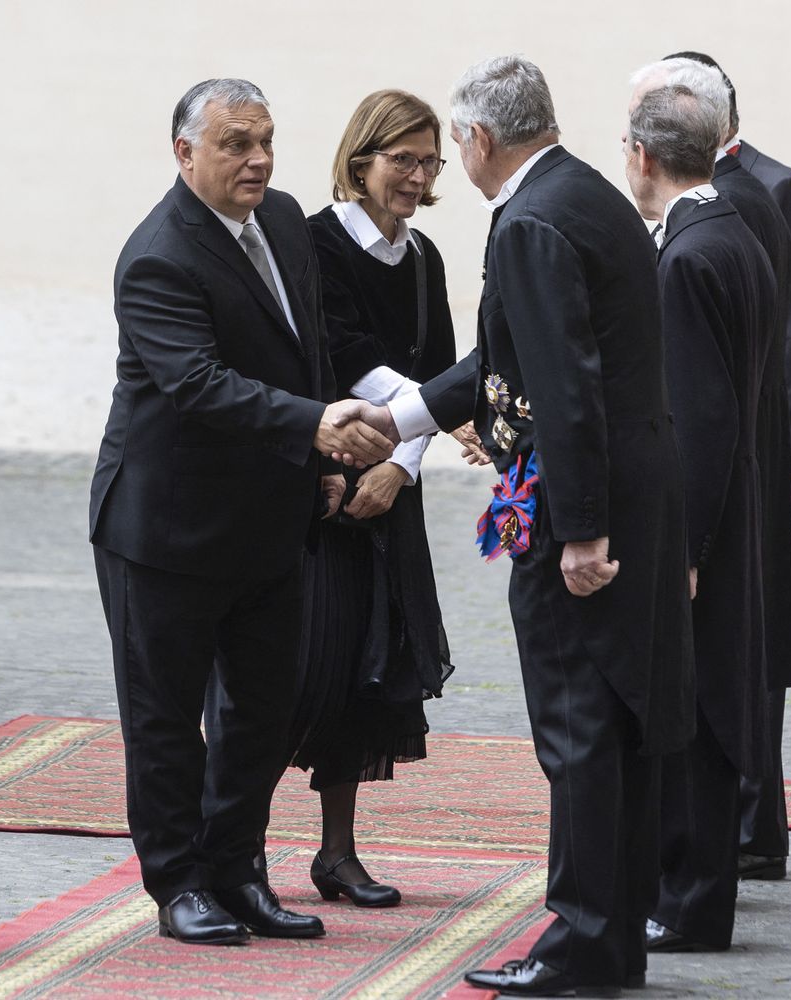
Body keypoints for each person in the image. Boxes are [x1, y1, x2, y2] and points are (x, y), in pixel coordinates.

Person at [387, 56, 695, 997]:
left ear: (480, 138)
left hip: (577, 509)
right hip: (632, 491)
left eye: (455, 145)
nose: (455, 161)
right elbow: (507, 357)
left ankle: (580, 940)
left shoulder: (528, 219)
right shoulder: (585, 193)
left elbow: (565, 384)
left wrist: (582, 533)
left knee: (578, 727)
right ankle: (614, 932)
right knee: (615, 719)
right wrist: (400, 419)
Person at [88, 78, 396, 947]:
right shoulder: (158, 254)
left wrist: (319, 462)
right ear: (184, 153)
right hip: (165, 529)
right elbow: (198, 384)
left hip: (269, 515)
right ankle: (179, 884)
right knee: (165, 720)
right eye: (235, 144)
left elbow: (308, 350)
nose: (258, 159)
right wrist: (316, 428)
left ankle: (238, 871)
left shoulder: (285, 218)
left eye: (265, 140)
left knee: (261, 712)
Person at [666, 50, 791, 881]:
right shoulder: (694, 193)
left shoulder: (779, 189)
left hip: (769, 453)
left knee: (757, 633)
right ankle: (752, 823)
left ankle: (752, 825)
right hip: (729, 450)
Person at [285, 89, 458, 907]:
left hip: (392, 485)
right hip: (321, 480)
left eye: (430, 162)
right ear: (361, 161)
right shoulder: (313, 243)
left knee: (369, 671)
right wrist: (403, 436)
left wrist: (403, 467)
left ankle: (337, 852)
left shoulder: (424, 259)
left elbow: (444, 373)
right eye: (403, 160)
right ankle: (234, 847)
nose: (417, 177)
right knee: (299, 670)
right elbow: (341, 356)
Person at [623, 80, 778, 953]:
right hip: (735, 509)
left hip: (702, 524)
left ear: (643, 156)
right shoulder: (731, 232)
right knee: (710, 704)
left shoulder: (687, 256)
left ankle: (688, 903)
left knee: (694, 715)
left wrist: (683, 546)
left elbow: (700, 416)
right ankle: (695, 897)